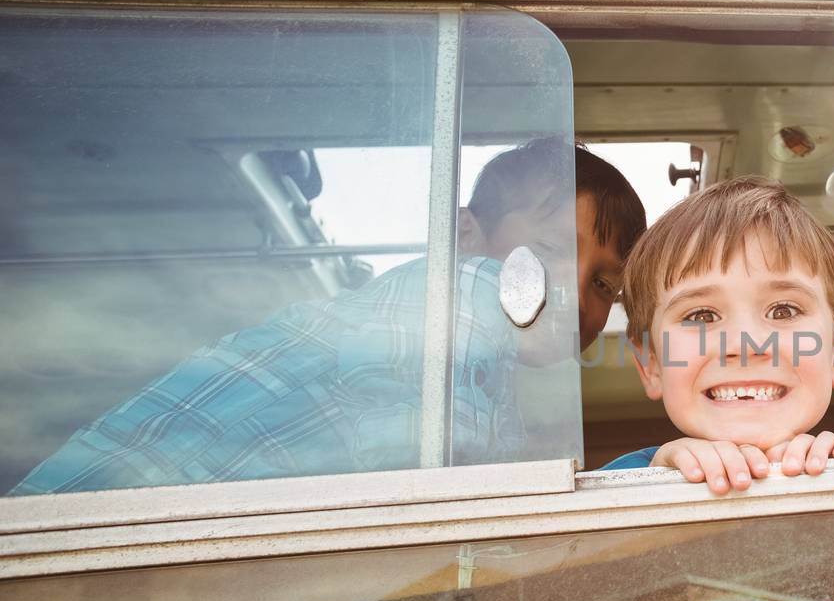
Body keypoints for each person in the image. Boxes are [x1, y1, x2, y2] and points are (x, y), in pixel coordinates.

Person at [11, 141, 646, 495]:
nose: (573, 291)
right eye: (550, 251)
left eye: (603, 284)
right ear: (463, 237)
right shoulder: (452, 299)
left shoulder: (480, 375)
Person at [600, 176, 834, 492]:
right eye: (702, 316)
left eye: (784, 311)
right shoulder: (615, 482)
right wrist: (654, 480)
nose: (745, 344)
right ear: (650, 364)